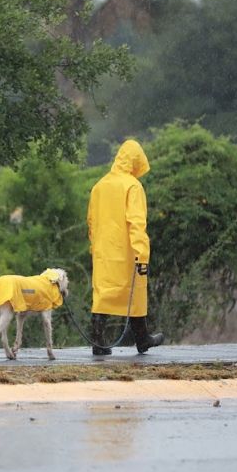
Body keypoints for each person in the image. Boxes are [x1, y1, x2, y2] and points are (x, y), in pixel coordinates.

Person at [87, 139, 164, 355]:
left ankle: (98, 342)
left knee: (103, 294)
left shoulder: (99, 186)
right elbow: (137, 223)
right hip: (128, 253)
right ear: (135, 162)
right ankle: (142, 339)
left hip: (103, 253)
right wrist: (142, 254)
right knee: (136, 293)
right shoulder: (132, 186)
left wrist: (94, 248)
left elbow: (91, 221)